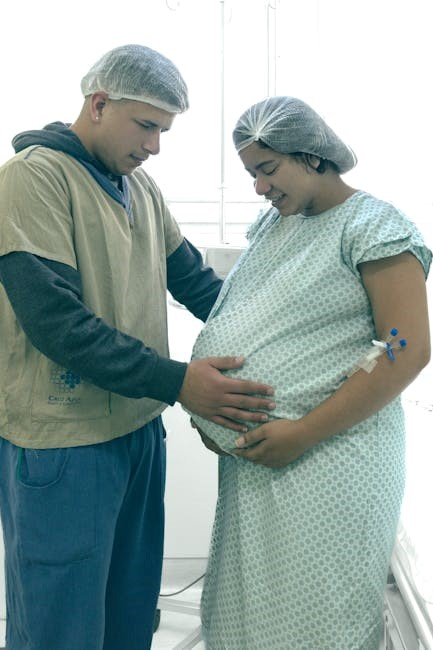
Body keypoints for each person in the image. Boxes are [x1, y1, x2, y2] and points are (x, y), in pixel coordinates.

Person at [0, 45, 276, 650]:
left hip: (137, 429)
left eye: (163, 131)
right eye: (146, 125)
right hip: (65, 441)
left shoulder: (139, 187)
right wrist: (181, 382)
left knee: (128, 612)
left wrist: (280, 334)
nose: (154, 145)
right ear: (99, 104)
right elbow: (55, 322)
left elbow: (197, 283)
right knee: (60, 625)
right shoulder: (33, 178)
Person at [189, 96, 432, 649]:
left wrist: (303, 431)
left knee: (316, 616)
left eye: (268, 169)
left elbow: (404, 347)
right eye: (251, 174)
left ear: (313, 156)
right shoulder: (277, 226)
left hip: (332, 456)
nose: (259, 187)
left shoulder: (373, 227)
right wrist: (215, 413)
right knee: (251, 612)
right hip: (262, 460)